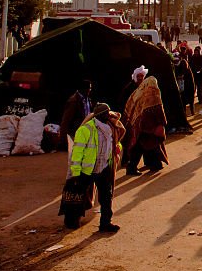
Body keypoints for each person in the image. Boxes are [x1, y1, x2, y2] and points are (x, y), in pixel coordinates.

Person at [61, 102, 125, 232]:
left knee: (106, 197)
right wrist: (76, 173)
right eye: (107, 113)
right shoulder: (85, 130)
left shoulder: (110, 128)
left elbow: (115, 144)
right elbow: (77, 153)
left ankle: (105, 223)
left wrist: (117, 149)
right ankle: (72, 220)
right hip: (87, 170)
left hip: (104, 168)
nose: (109, 115)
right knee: (79, 196)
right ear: (101, 115)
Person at [123, 77, 169, 175]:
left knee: (149, 143)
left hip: (140, 124)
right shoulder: (153, 93)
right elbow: (158, 109)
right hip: (145, 124)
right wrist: (161, 122)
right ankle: (132, 167)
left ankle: (153, 163)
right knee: (142, 144)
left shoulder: (139, 92)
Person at [59, 80, 92, 148]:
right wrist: (63, 139)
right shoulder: (73, 101)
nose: (90, 90)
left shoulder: (88, 100)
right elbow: (66, 121)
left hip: (85, 132)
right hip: (76, 133)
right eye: (89, 88)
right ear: (84, 89)